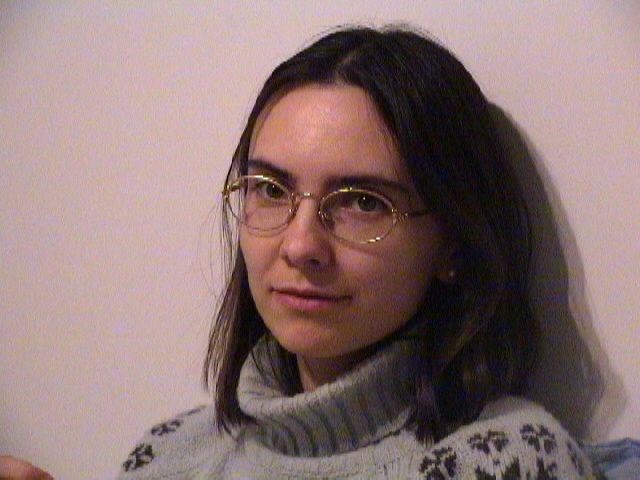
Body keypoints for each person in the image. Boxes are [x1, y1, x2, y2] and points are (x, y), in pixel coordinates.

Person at [117, 25, 596, 478]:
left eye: (363, 202)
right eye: (271, 190)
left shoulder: (508, 460)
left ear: (453, 243)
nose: (300, 245)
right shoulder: (168, 457)